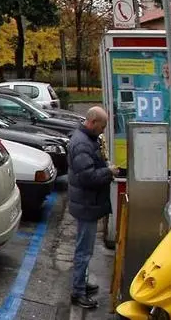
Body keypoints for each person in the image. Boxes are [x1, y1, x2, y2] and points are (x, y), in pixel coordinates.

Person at [67, 106, 119, 309]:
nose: (103, 130)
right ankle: (78, 292)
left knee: (84, 248)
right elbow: (87, 177)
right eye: (102, 126)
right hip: (86, 205)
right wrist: (109, 172)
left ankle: (81, 283)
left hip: (87, 203)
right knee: (84, 250)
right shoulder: (82, 144)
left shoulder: (87, 139)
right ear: (93, 122)